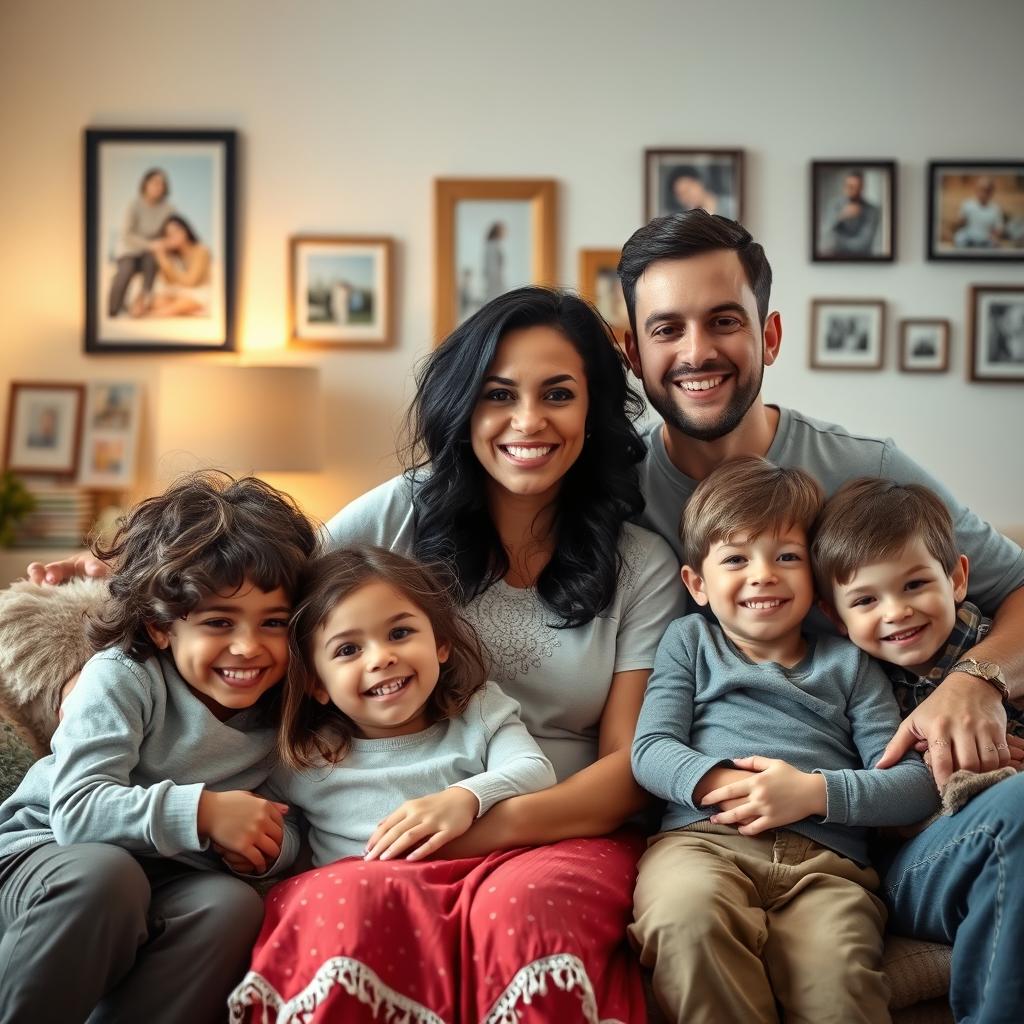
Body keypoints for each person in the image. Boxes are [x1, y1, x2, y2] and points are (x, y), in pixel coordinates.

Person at [616, 209, 1024, 1022]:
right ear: (633, 352)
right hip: (703, 838)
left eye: (723, 321)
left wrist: (976, 679)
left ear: (768, 336)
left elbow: (1015, 587)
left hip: (853, 838)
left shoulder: (863, 468)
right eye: (667, 328)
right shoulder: (604, 487)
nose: (696, 351)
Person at [309, 287, 684, 1022]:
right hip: (394, 822)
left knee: (526, 906)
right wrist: (118, 589)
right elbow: (261, 595)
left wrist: (479, 825)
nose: (528, 421)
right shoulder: (395, 515)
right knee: (348, 911)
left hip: (566, 830)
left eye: (559, 394)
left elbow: (629, 768)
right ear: (463, 407)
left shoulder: (643, 563)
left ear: (593, 412)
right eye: (498, 394)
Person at [0, 472, 318, 1023]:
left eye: (273, 623)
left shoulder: (282, 705)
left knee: (229, 905)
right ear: (161, 626)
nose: (248, 647)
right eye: (219, 622)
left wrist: (267, 845)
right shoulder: (122, 676)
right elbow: (77, 812)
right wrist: (204, 811)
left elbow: (290, 819)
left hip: (167, 877)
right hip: (43, 857)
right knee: (106, 876)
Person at [630, 456, 938, 1024]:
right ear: (697, 584)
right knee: (685, 918)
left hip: (827, 867)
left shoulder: (849, 663)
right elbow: (649, 750)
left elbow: (914, 784)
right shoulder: (689, 642)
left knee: (838, 976)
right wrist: (726, 783)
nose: (763, 574)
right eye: (735, 559)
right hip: (704, 845)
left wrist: (811, 794)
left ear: (815, 578)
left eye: (787, 556)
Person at [230, 546, 557, 1021]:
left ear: (440, 644)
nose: (382, 658)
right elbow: (289, 833)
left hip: (470, 890)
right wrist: (267, 851)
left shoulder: (477, 711)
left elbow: (534, 769)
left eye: (400, 633)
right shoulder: (304, 757)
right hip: (367, 909)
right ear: (317, 683)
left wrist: (464, 797)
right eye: (347, 650)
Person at [813, 477, 1024, 749]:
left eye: (914, 585)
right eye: (866, 600)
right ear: (837, 617)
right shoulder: (864, 687)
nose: (896, 612)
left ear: (957, 580)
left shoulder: (1007, 650)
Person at [107, 168, 175, 318]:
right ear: (145, 184)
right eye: (155, 183)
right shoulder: (134, 205)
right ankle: (113, 310)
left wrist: (160, 245)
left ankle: (141, 305)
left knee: (151, 264)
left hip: (152, 253)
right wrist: (149, 244)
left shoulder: (169, 209)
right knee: (126, 270)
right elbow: (127, 235)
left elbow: (171, 232)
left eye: (161, 184)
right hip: (129, 250)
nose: (158, 187)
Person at [144, 213, 212, 317]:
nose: (173, 237)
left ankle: (163, 312)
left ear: (185, 231)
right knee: (158, 300)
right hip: (179, 293)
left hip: (198, 293)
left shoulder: (201, 250)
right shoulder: (173, 256)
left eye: (176, 232)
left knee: (186, 301)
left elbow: (190, 281)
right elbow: (168, 282)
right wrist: (161, 256)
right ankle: (179, 311)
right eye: (168, 235)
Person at [822, 169, 880, 256]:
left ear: (862, 188)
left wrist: (837, 244)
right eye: (850, 186)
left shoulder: (872, 210)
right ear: (844, 187)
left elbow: (865, 242)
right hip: (835, 258)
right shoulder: (834, 206)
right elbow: (825, 234)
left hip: (862, 259)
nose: (853, 190)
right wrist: (841, 217)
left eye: (857, 187)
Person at [952, 175, 1004, 248]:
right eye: (981, 189)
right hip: (969, 237)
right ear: (976, 190)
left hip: (985, 239)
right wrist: (959, 222)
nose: (984, 193)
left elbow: (999, 228)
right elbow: (959, 223)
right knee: (959, 237)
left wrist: (995, 236)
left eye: (987, 190)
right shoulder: (967, 205)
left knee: (995, 244)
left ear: (991, 192)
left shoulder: (995, 209)